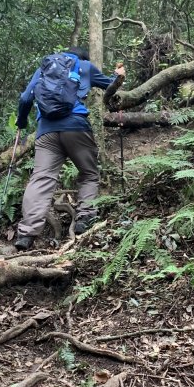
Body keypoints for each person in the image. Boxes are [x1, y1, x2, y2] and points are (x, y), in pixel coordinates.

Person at [14, 46, 125, 250]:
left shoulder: (44, 68)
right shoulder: (84, 66)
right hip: (75, 127)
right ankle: (84, 219)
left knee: (41, 179)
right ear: (82, 56)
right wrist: (118, 76)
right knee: (89, 173)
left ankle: (26, 234)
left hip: (46, 131)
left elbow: (25, 99)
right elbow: (110, 86)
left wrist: (21, 122)